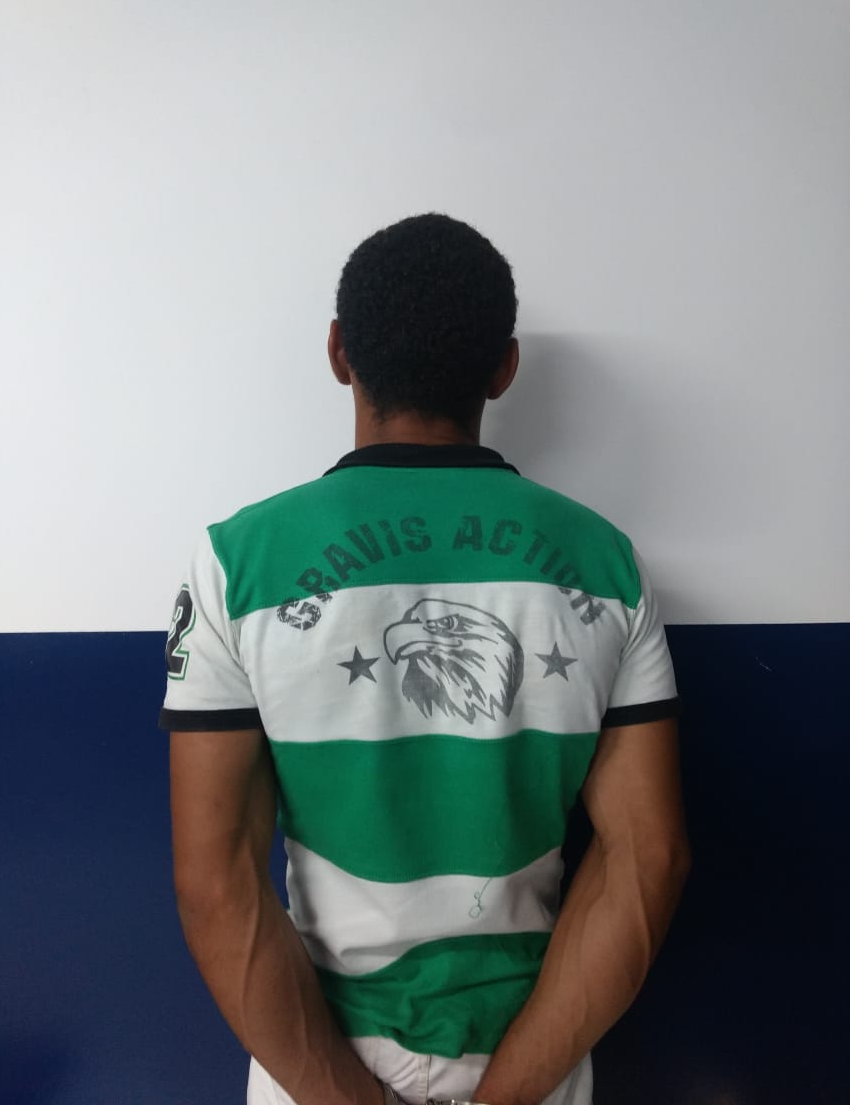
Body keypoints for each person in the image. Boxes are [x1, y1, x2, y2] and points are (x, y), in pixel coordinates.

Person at [159, 212, 690, 1105]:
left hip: (314, 1072)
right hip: (534, 1064)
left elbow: (218, 884)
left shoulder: (236, 565)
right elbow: (649, 859)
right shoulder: (605, 567)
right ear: (504, 367)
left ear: (339, 352)